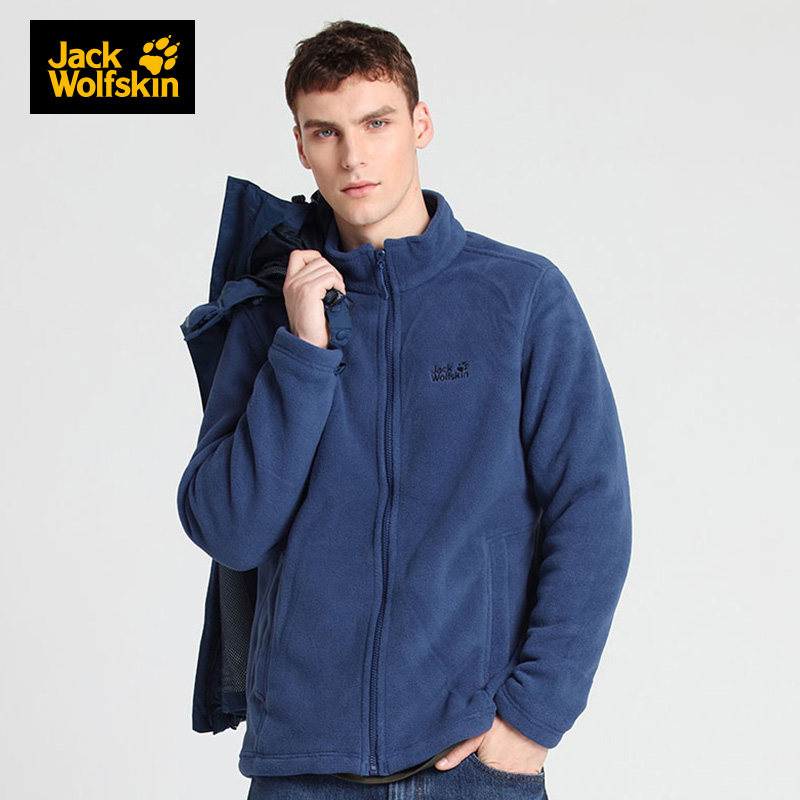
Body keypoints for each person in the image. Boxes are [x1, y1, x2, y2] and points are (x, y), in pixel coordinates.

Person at [177, 18, 632, 799]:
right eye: (326, 131)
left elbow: (592, 512)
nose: (353, 157)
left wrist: (531, 722)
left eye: (376, 123)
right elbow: (229, 530)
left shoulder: (520, 297)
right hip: (301, 772)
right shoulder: (268, 317)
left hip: (469, 766)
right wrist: (304, 352)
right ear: (300, 145)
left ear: (420, 123)